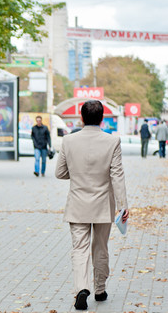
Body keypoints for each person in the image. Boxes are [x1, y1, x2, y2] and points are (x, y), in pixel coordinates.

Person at [55, 100, 129, 311]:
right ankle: (99, 289)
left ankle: (81, 290)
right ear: (102, 118)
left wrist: (77, 175)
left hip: (77, 204)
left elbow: (59, 173)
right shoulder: (112, 141)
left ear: (81, 117)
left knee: (79, 249)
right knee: (100, 248)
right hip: (103, 205)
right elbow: (117, 176)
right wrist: (123, 206)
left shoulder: (68, 141)